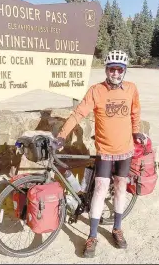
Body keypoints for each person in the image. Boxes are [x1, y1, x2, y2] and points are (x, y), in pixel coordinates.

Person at [53, 49, 146, 258]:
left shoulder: (131, 89)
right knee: (101, 188)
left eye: (119, 69)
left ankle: (117, 228)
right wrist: (61, 136)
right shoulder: (96, 91)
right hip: (105, 149)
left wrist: (136, 130)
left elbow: (135, 112)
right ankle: (93, 235)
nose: (115, 73)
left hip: (126, 148)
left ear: (124, 71)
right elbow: (78, 113)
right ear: (106, 70)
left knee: (121, 186)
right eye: (112, 69)